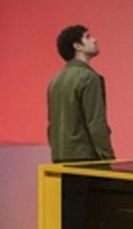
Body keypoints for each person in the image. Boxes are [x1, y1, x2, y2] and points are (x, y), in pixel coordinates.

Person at [46, 23, 114, 162]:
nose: (94, 39)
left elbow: (51, 127)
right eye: (87, 37)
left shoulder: (55, 81)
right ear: (77, 46)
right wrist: (108, 157)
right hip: (85, 159)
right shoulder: (88, 77)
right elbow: (96, 123)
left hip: (60, 158)